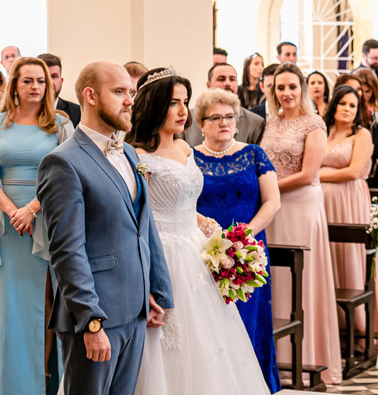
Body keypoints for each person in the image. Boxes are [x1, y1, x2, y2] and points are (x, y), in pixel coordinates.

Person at [126, 67, 269, 395]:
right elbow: (138, 216)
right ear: (152, 105)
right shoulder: (139, 155)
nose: (181, 111)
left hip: (196, 252)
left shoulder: (185, 149)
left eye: (185, 102)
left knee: (212, 345)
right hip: (163, 254)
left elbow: (185, 204)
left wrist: (206, 225)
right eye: (172, 102)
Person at [36, 61, 173, 395]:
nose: (130, 100)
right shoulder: (63, 162)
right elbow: (67, 251)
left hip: (135, 309)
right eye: (119, 92)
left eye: (131, 92)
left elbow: (144, 226)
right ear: (90, 96)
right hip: (96, 316)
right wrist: (90, 320)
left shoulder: (127, 151)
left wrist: (156, 289)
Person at [191, 88, 282, 392]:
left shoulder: (254, 154)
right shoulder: (190, 157)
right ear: (201, 124)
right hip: (203, 251)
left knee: (248, 318)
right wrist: (207, 232)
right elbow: (181, 204)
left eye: (230, 117)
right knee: (209, 323)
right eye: (215, 118)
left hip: (248, 250)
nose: (224, 123)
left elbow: (272, 202)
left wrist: (244, 237)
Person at [260, 63, 341, 385]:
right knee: (276, 276)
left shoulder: (314, 123)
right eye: (280, 87)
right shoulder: (271, 122)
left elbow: (309, 174)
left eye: (292, 86)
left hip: (301, 205)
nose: (286, 93)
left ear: (302, 88)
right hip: (273, 208)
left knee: (302, 278)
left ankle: (309, 358)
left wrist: (267, 189)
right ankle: (277, 358)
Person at [0, 57, 73, 393]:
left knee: (48, 302)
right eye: (27, 81)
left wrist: (30, 208)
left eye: (41, 81)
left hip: (47, 218)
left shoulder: (59, 124)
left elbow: (67, 175)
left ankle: (46, 378)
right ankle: (15, 383)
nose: (35, 87)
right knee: (12, 303)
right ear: (14, 84)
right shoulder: (0, 122)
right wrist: (12, 210)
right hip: (7, 225)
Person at [320, 85, 378, 339]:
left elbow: (354, 171)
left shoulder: (362, 135)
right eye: (343, 103)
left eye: (352, 105)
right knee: (327, 255)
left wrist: (316, 175)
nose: (347, 109)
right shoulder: (323, 131)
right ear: (334, 104)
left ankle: (360, 326)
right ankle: (332, 324)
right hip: (322, 204)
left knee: (350, 256)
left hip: (349, 202)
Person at [183, 63, 266, 146]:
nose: (228, 83)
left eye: (232, 79)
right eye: (221, 79)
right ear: (208, 85)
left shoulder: (255, 122)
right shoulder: (187, 118)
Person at [39, 53, 81, 128]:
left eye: (54, 76)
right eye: (45, 76)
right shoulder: (24, 113)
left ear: (61, 81)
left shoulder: (78, 113)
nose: (50, 82)